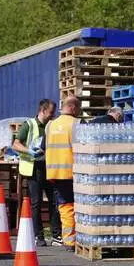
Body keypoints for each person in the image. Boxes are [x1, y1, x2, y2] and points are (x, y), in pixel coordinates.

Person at [12, 99, 62, 247]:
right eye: (51, 112)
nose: (53, 115)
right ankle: (37, 235)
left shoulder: (52, 126)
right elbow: (15, 144)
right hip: (34, 168)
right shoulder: (29, 125)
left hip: (50, 167)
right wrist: (29, 151)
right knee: (36, 202)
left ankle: (55, 235)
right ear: (43, 111)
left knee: (54, 202)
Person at [44, 96, 82, 251]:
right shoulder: (77, 124)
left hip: (54, 173)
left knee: (64, 206)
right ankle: (73, 239)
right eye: (78, 108)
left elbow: (44, 147)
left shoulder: (50, 125)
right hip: (73, 172)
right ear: (73, 108)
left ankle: (69, 239)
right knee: (77, 207)